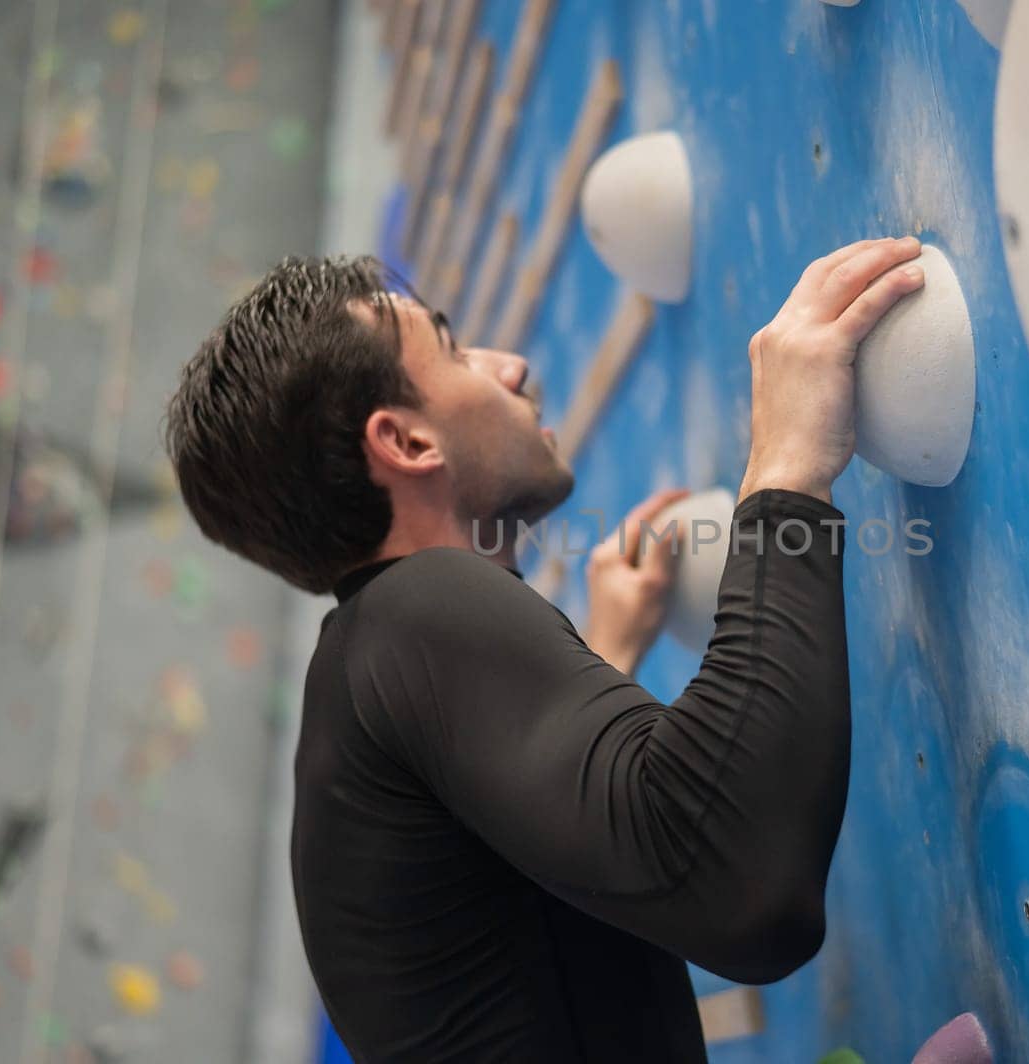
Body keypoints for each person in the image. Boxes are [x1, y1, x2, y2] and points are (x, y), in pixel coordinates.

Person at [163, 236, 926, 1062]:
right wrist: (786, 465)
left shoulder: (367, 676)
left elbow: (513, 906)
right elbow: (740, 882)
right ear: (407, 443)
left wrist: (602, 658)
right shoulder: (412, 613)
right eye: (455, 351)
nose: (512, 367)